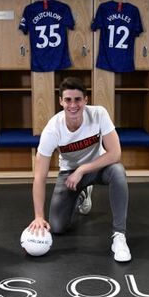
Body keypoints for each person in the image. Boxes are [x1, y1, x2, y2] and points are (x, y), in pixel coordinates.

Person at [28, 77, 131, 262]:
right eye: (68, 100)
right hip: (69, 173)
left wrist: (82, 169)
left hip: (99, 167)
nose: (73, 105)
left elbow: (115, 153)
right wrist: (38, 216)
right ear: (61, 101)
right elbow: (39, 177)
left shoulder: (99, 114)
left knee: (118, 171)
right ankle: (81, 194)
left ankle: (119, 236)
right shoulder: (52, 129)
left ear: (86, 100)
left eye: (77, 99)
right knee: (57, 227)